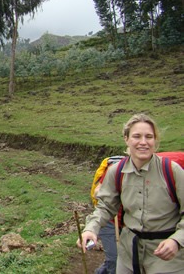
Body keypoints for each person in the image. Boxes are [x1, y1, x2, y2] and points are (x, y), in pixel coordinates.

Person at [78, 113, 184, 274]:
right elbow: (106, 207)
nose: (143, 142)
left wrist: (177, 240)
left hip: (167, 256)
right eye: (136, 136)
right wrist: (91, 229)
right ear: (126, 139)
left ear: (155, 140)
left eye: (149, 136)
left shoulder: (172, 171)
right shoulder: (117, 172)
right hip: (128, 255)